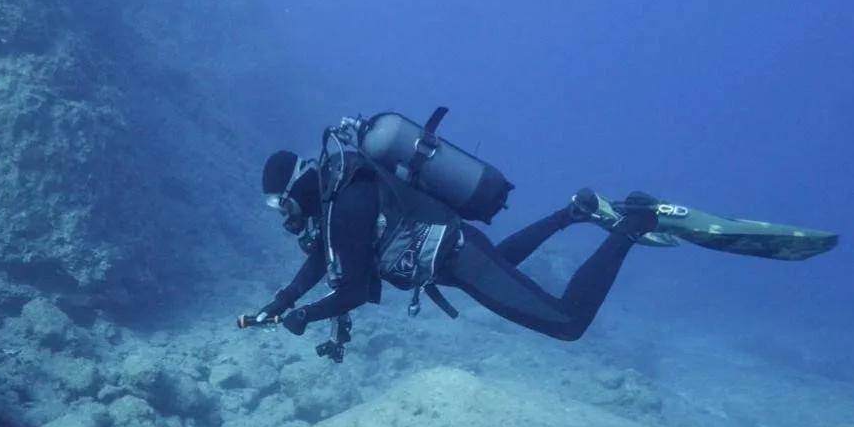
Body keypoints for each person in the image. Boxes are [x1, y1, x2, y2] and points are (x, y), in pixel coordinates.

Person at [253, 148, 663, 347]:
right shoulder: (336, 202)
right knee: (499, 263)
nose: (281, 212)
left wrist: (305, 314)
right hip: (456, 258)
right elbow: (319, 259)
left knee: (567, 323)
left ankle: (631, 225)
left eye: (277, 202)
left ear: (294, 187)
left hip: (461, 259)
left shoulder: (345, 207)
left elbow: (354, 291)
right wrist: (283, 300)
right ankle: (572, 213)